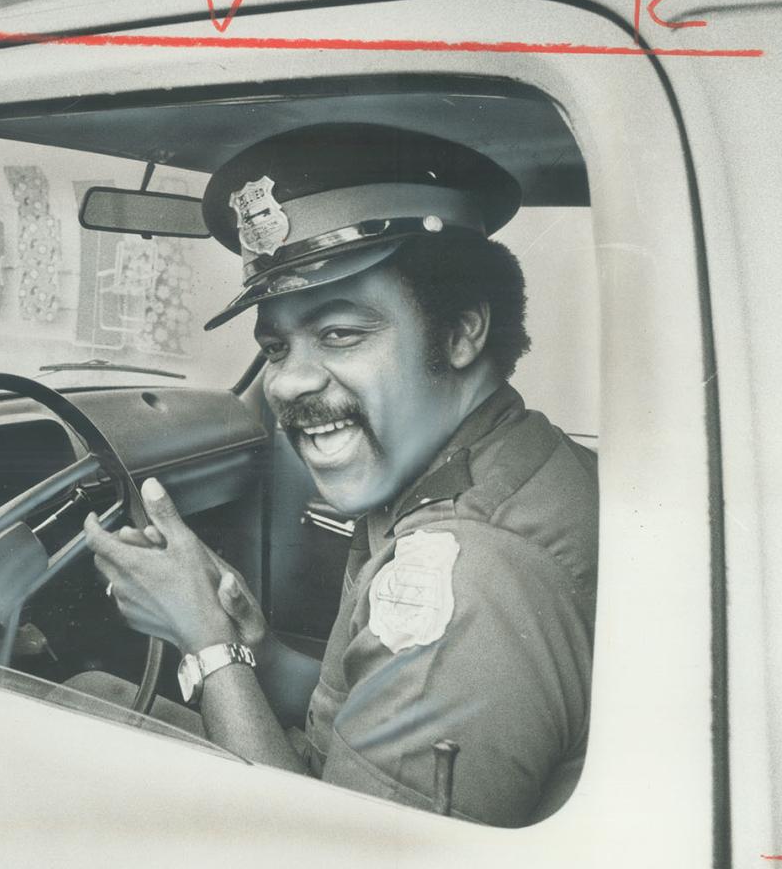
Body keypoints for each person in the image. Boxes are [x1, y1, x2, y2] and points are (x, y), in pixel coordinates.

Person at [82, 123, 597, 827]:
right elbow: (354, 709)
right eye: (274, 346)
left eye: (339, 334)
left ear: (460, 333)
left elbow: (313, 851)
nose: (287, 383)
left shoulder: (466, 579)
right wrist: (251, 645)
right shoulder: (497, 461)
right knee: (88, 696)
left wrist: (206, 643)